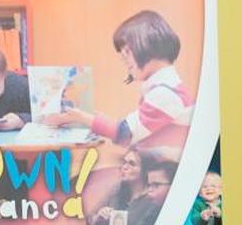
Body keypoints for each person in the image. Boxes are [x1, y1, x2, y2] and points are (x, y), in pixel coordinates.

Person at [46, 10, 193, 147]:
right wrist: (86, 115)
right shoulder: (167, 88)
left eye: (127, 52)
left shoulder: (165, 94)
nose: (124, 60)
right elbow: (126, 128)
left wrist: (81, 117)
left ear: (148, 44)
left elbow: (124, 134)